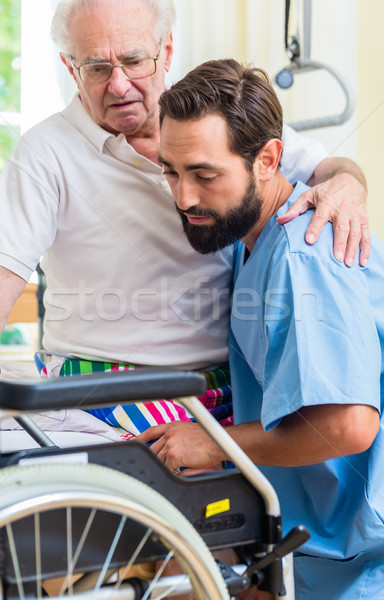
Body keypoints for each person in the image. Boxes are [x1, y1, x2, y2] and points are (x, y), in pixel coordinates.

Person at [0, 0, 369, 415]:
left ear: (166, 50)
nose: (118, 85)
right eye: (96, 68)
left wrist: (348, 183)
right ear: (69, 65)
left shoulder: (216, 122)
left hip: (229, 385)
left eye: (133, 60)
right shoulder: (45, 152)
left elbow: (328, 167)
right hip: (99, 388)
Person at [137, 59, 384, 599]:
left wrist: (214, 441)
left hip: (365, 562)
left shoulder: (303, 251)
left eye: (204, 175)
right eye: (171, 172)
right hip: (320, 549)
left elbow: (348, 424)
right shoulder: (252, 244)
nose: (183, 198)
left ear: (269, 159)